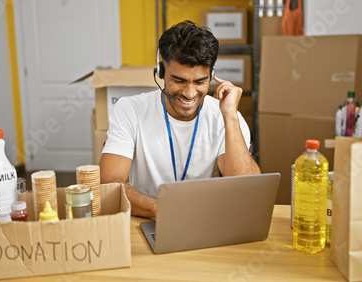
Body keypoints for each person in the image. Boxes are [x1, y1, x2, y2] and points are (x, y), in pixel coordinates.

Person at [99, 20, 261, 218]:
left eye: (200, 81)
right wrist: (160, 209)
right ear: (161, 72)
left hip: (207, 220)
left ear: (212, 75)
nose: (189, 93)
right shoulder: (130, 110)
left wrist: (230, 117)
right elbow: (110, 183)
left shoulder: (227, 117)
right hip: (148, 218)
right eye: (179, 80)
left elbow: (247, 190)